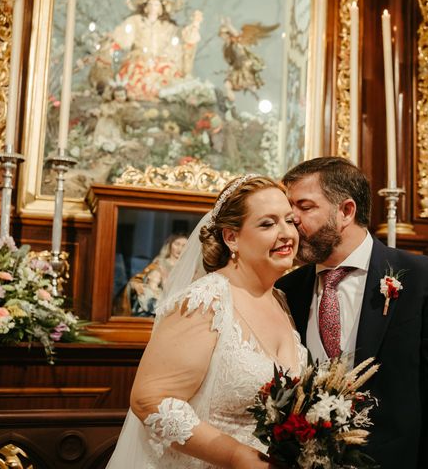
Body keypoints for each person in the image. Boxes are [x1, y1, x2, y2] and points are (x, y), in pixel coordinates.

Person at [276, 157, 428, 469]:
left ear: (345, 211)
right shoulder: (287, 288)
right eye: (289, 210)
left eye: (304, 207)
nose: (292, 221)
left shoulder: (422, 278)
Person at [107, 174, 304, 468]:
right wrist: (236, 455)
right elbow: (150, 400)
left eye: (290, 220)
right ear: (231, 237)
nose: (286, 233)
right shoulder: (205, 301)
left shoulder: (280, 300)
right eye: (268, 223)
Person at [106, 0, 202, 100]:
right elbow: (123, 38)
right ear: (145, 7)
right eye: (150, 4)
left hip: (161, 63)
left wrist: (194, 26)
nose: (153, 8)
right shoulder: (135, 21)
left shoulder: (168, 27)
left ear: (161, 9)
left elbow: (181, 39)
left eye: (156, 5)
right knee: (135, 76)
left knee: (167, 77)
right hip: (138, 60)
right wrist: (111, 44)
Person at [115, 233, 188, 317]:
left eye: (184, 245)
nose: (180, 248)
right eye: (177, 244)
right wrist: (135, 284)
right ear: (170, 245)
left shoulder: (187, 267)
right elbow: (138, 279)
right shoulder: (159, 263)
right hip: (156, 307)